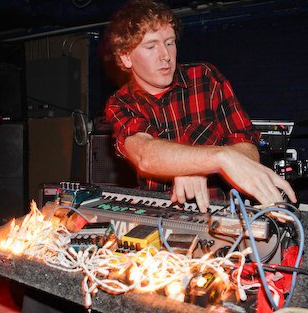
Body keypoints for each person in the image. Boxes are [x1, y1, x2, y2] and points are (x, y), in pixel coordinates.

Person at [104, 0, 297, 212]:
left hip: (220, 216)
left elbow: (248, 150)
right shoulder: (120, 102)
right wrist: (218, 158)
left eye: (169, 42)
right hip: (157, 219)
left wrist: (198, 168)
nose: (166, 56)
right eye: (151, 47)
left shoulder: (205, 77)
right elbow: (145, 155)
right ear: (126, 57)